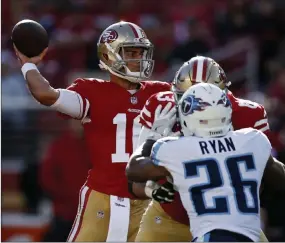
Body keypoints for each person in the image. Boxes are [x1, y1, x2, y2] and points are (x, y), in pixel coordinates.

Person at [13, 21, 170, 242]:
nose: (139, 59)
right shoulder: (92, 91)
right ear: (109, 55)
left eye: (142, 52)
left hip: (149, 200)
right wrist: (28, 64)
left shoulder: (161, 92)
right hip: (104, 198)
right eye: (131, 52)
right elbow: (46, 94)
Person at [130, 56, 270, 242]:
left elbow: (263, 180)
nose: (196, 108)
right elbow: (134, 183)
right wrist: (152, 189)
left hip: (231, 224)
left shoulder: (249, 116)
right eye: (188, 101)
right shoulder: (162, 107)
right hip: (170, 218)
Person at [40, 119, 91, 242]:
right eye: (76, 121)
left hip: (90, 214)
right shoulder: (59, 146)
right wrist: (66, 197)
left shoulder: (95, 146)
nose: (79, 124)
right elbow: (47, 178)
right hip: (65, 215)